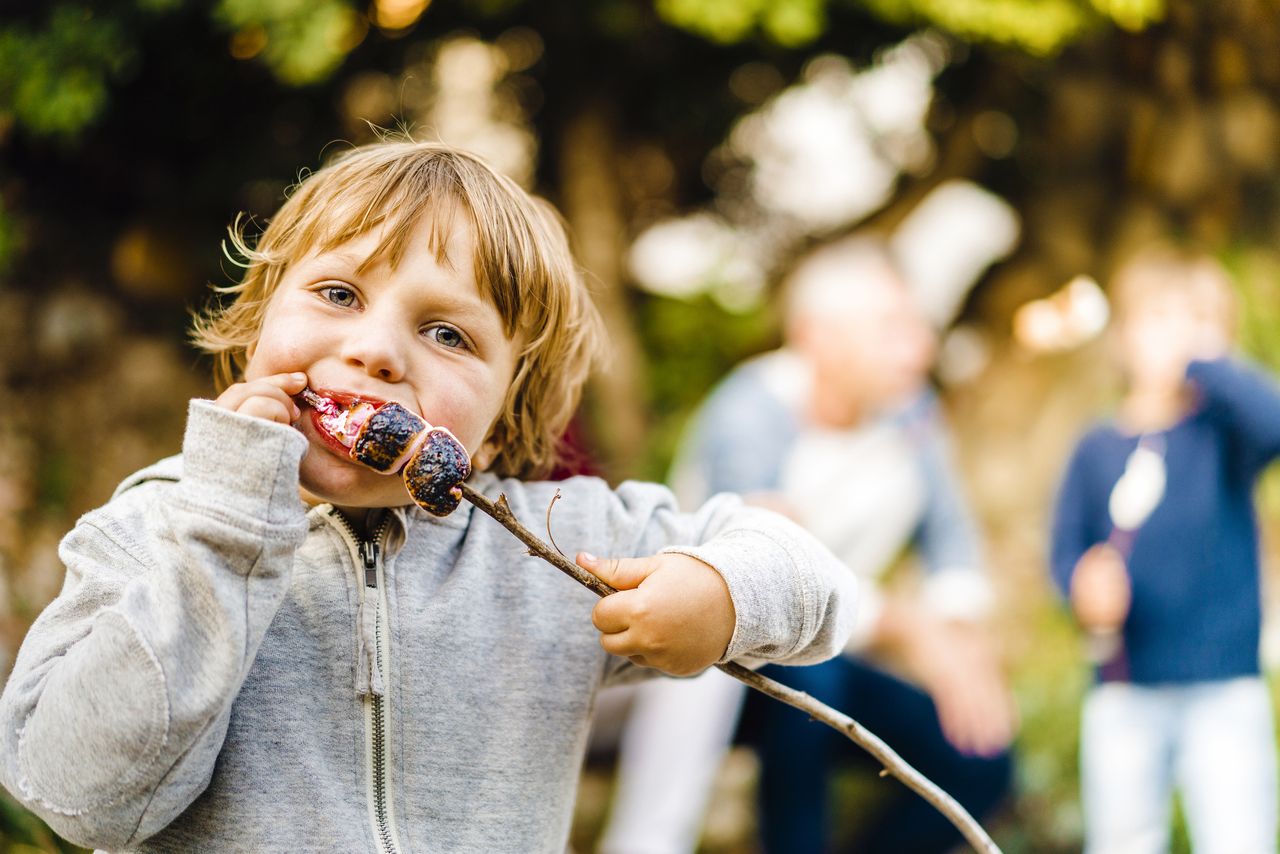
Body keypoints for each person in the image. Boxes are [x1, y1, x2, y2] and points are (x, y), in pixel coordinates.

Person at [0, 141, 860, 852]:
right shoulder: (153, 527)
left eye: (446, 333)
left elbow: (815, 579)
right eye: (338, 293)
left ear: (495, 426)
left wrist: (723, 591)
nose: (376, 350)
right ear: (261, 324)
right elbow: (76, 799)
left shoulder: (557, 544)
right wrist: (223, 529)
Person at [599, 236, 1015, 854]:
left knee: (980, 759)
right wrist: (910, 628)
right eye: (892, 330)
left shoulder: (912, 414)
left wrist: (962, 639)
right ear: (817, 337)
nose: (921, 349)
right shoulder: (751, 412)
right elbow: (769, 576)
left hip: (834, 654)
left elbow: (950, 536)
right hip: (704, 668)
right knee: (814, 680)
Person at [1050, 245, 1280, 854]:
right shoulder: (1096, 446)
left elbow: (1276, 422)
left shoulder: (1223, 435)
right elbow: (1065, 552)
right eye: (1160, 319)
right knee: (1123, 838)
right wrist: (1082, 586)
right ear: (1123, 338)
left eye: (1199, 322)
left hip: (1224, 685)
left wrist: (1207, 362)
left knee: (1239, 834)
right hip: (1125, 688)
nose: (1180, 338)